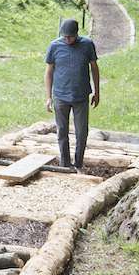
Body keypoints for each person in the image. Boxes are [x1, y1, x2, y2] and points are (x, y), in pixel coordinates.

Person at [44, 18, 101, 172]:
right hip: (60, 96)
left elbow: (94, 68)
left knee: (81, 132)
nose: (67, 39)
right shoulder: (55, 46)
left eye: (70, 36)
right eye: (65, 36)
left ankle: (78, 163)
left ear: (76, 34)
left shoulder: (87, 45)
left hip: (81, 96)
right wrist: (48, 96)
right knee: (62, 131)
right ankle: (65, 163)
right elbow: (49, 72)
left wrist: (97, 92)